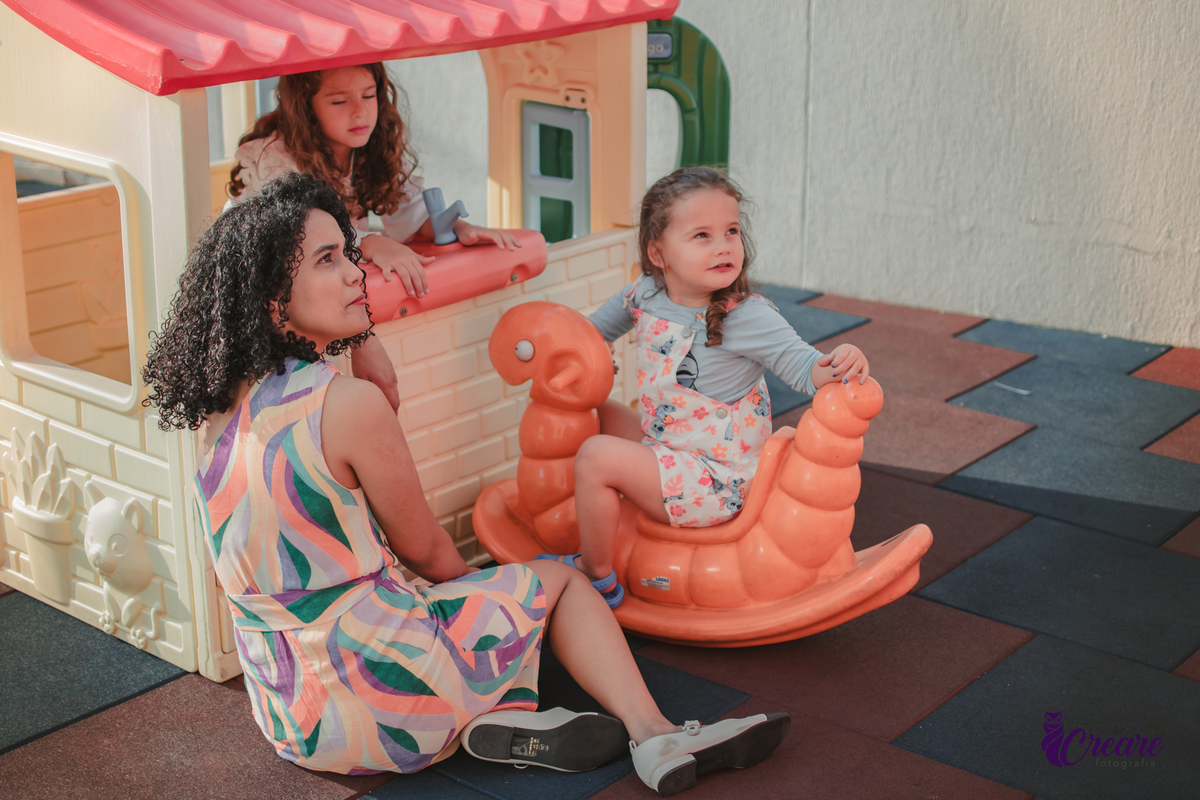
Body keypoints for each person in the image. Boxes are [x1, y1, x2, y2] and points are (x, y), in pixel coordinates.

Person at [143, 173, 788, 794]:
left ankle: (488, 718)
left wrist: (361, 336)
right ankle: (657, 735)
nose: (353, 274)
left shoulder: (216, 412)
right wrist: (501, 607)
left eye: (349, 254)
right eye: (328, 260)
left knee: (433, 598)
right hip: (393, 697)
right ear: (270, 299)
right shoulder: (345, 406)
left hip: (296, 721)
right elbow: (428, 552)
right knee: (556, 583)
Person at [547, 167, 871, 608]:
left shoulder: (746, 316)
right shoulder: (645, 293)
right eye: (702, 235)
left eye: (731, 231)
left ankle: (596, 575)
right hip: (670, 444)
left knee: (594, 456)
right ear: (658, 252)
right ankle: (601, 509)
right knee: (596, 412)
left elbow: (807, 368)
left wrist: (845, 359)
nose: (724, 246)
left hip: (716, 480)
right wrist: (551, 349)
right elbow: (590, 335)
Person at [226, 62, 520, 411]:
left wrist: (459, 229)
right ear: (306, 107)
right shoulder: (273, 159)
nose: (360, 111)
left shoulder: (367, 147)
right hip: (255, 303)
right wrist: (368, 244)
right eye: (339, 102)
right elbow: (292, 239)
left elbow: (407, 211)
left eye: (369, 95)